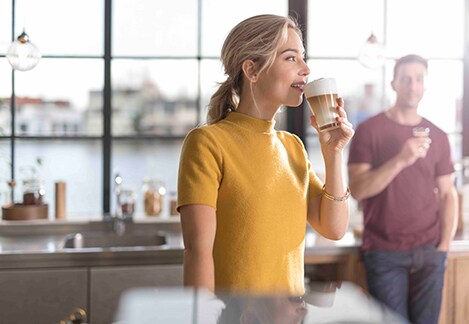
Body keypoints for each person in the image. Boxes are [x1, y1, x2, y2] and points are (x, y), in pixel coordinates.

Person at [177, 14, 354, 297]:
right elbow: (198, 251)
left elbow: (334, 228)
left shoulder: (292, 146)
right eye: (291, 58)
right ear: (252, 70)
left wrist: (333, 153)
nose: (306, 69)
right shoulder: (207, 143)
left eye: (303, 57)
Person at [347, 54, 458, 324]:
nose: (412, 85)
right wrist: (401, 160)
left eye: (419, 79)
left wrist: (443, 246)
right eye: (406, 78)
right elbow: (358, 189)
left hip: (430, 252)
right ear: (394, 83)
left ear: (425, 85)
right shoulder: (368, 130)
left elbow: (447, 194)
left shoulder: (439, 136)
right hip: (384, 254)